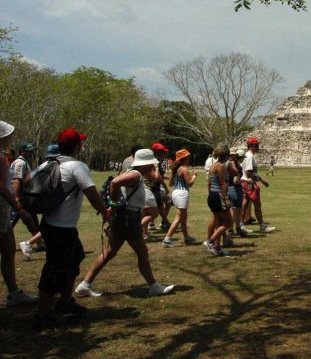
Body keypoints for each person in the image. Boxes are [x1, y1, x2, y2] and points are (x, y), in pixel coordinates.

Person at [36, 128, 112, 327]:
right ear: (78, 146)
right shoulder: (77, 166)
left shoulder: (48, 163)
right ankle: (44, 314)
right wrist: (105, 213)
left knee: (75, 256)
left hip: (51, 223)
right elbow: (92, 193)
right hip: (62, 227)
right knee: (54, 268)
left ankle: (65, 301)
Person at [75, 149, 175, 298]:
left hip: (125, 217)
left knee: (110, 252)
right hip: (128, 218)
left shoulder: (134, 173)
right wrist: (114, 204)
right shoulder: (135, 174)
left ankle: (85, 284)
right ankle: (153, 286)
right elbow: (114, 183)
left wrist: (115, 206)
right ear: (145, 164)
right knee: (142, 252)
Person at [0, 121, 38, 308]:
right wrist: (20, 208)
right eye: (8, 135)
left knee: (8, 249)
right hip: (1, 210)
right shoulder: (0, 159)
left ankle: (14, 292)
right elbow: (3, 187)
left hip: (4, 210)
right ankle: (14, 293)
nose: (11, 138)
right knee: (7, 250)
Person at [11, 143, 45, 259]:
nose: (31, 153)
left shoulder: (24, 162)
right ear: (22, 151)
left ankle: (40, 243)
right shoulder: (20, 163)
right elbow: (16, 180)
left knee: (31, 219)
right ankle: (38, 243)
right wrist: (16, 198)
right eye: (29, 151)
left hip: (24, 197)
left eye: (32, 151)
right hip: (19, 197)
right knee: (12, 221)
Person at [162, 149, 197, 247]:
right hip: (182, 193)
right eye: (188, 157)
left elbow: (170, 183)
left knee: (183, 217)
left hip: (176, 192)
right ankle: (167, 239)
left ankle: (186, 237)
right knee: (178, 218)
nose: (189, 159)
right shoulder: (184, 169)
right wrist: (194, 176)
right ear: (184, 158)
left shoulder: (176, 169)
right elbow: (189, 183)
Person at [203, 145, 233, 255]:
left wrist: (210, 193)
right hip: (219, 195)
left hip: (212, 195)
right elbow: (223, 183)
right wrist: (226, 199)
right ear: (225, 156)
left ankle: (217, 247)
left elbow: (209, 183)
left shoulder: (212, 166)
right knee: (229, 223)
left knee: (218, 222)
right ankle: (210, 241)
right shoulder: (220, 166)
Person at [242, 137, 274, 233]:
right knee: (257, 205)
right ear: (252, 146)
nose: (258, 147)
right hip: (250, 183)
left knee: (245, 204)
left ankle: (240, 226)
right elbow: (249, 172)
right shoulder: (249, 156)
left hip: (246, 182)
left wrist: (261, 180)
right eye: (256, 145)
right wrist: (260, 181)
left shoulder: (248, 155)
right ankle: (262, 226)